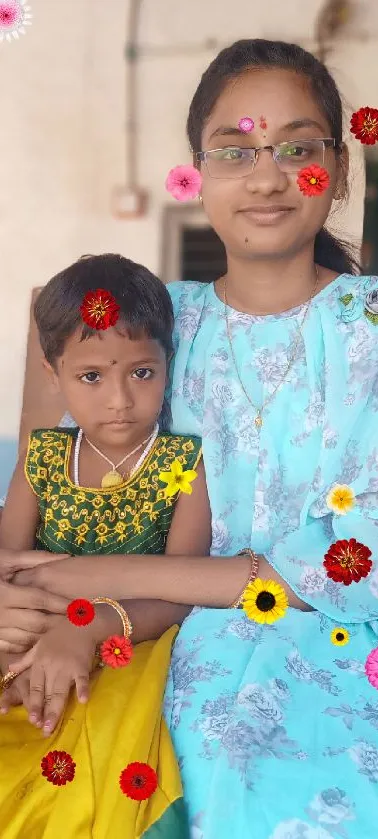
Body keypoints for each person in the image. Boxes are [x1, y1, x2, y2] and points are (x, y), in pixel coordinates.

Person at [1, 36, 378, 839]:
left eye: (298, 148)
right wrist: (18, 599)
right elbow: (38, 494)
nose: (265, 174)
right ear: (196, 169)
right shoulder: (142, 322)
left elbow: (364, 558)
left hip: (342, 638)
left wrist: (79, 584)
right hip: (136, 624)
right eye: (235, 149)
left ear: (341, 168)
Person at [0, 253, 211, 839]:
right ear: (54, 374)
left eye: (142, 372)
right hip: (29, 632)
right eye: (91, 376)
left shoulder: (181, 465)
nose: (119, 400)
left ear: (169, 364)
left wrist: (88, 628)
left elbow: (179, 593)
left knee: (98, 759)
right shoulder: (42, 458)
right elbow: (7, 567)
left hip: (127, 640)